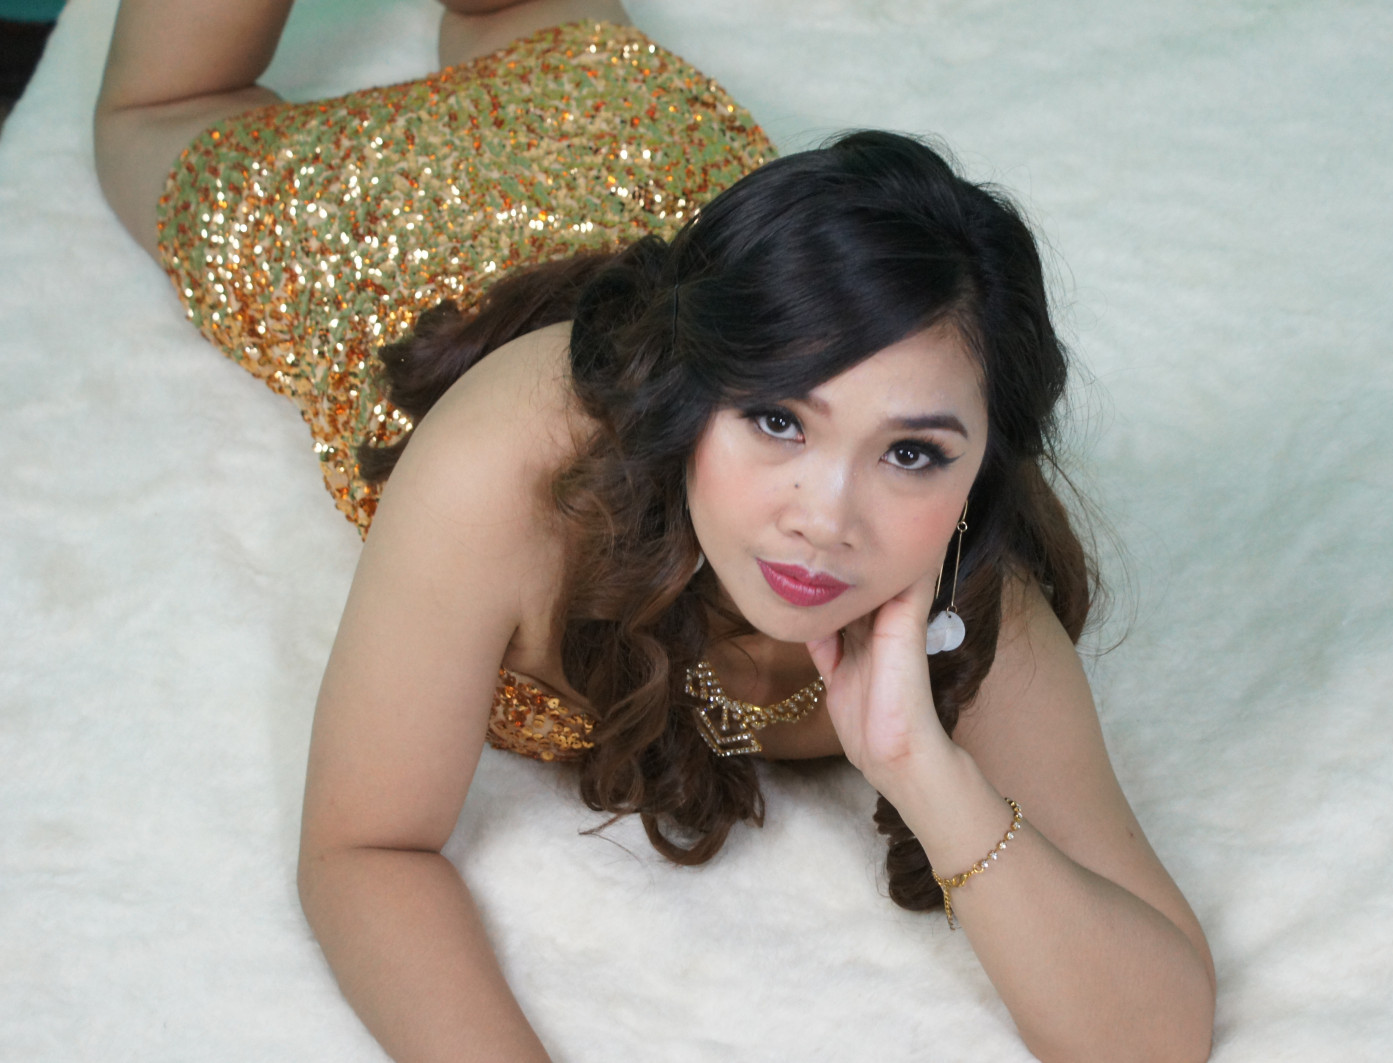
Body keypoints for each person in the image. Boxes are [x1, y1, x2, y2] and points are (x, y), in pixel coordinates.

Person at [95, 1, 1216, 1060]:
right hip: (426, 216)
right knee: (160, 111)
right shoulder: (511, 471)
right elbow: (363, 848)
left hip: (649, 175)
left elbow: (1151, 1033)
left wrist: (927, 774)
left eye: (912, 452)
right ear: (690, 392)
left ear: (984, 466)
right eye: (778, 420)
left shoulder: (971, 598)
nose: (823, 520)